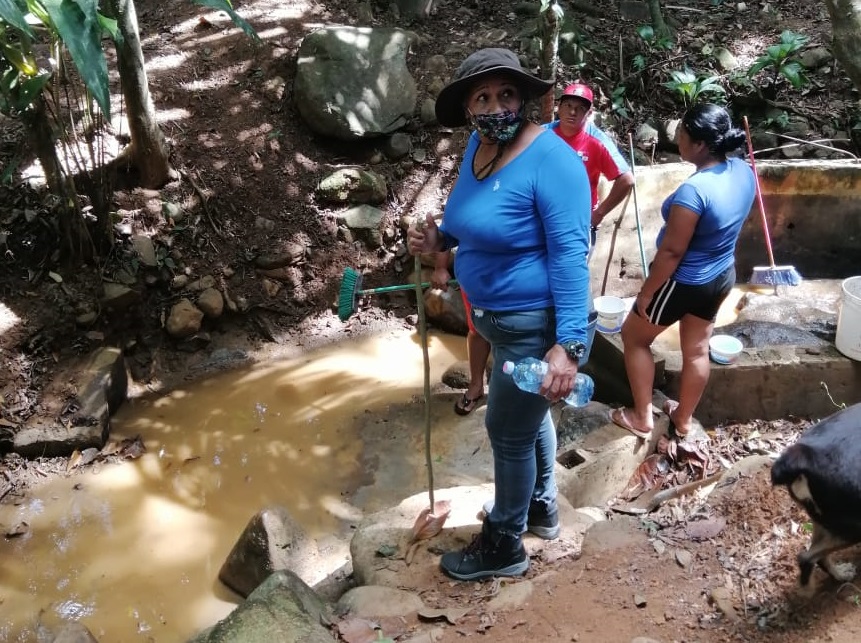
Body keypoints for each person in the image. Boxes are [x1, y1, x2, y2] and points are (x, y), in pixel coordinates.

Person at [407, 48, 593, 582]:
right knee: (528, 423)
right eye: (482, 97)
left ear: (524, 98)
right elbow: (472, 222)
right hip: (489, 314)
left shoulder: (553, 159)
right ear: (468, 108)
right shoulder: (478, 146)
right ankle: (542, 508)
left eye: (506, 94)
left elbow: (570, 255)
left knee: (506, 429)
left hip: (531, 327)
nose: (496, 106)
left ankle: (505, 543)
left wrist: (569, 345)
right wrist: (439, 238)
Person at [610, 103, 755, 440]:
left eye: (682, 133)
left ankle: (642, 417)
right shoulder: (742, 170)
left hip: (684, 281)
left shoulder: (694, 192)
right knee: (697, 350)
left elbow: (672, 252)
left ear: (700, 144)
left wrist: (646, 293)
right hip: (721, 274)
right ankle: (684, 419)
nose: (677, 136)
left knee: (634, 336)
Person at [546, 83, 634, 247]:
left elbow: (626, 179)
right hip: (543, 218)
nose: (572, 112)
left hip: (578, 223)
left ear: (589, 113)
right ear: (559, 107)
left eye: (580, 108)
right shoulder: (542, 134)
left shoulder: (596, 141)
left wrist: (599, 213)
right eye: (568, 106)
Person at [431, 253, 489, 415]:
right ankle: (476, 386)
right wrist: (440, 267)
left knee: (512, 334)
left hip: (515, 274)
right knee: (477, 330)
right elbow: (449, 229)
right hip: (474, 272)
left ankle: (512, 392)